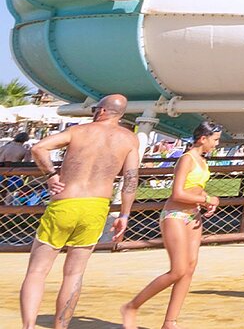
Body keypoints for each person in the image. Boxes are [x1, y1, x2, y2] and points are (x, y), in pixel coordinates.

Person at [18, 94, 139, 329]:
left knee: (37, 271)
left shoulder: (78, 131)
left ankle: (28, 326)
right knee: (74, 274)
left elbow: (39, 148)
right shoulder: (129, 139)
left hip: (66, 203)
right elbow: (130, 180)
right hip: (96, 207)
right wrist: (124, 215)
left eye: (95, 109)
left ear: (102, 111)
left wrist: (51, 175)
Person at [121, 120, 224, 329]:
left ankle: (170, 322)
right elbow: (177, 193)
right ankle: (131, 307)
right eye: (215, 140)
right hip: (175, 215)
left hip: (193, 216)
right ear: (202, 139)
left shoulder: (203, 161)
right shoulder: (186, 159)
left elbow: (195, 187)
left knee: (189, 268)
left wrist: (207, 201)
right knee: (178, 270)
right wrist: (206, 199)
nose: (217, 144)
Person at [1, 131, 33, 204]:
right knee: (10, 192)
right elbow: (26, 164)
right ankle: (7, 208)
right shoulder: (24, 150)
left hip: (1, 172)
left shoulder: (3, 147)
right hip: (13, 173)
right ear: (25, 140)